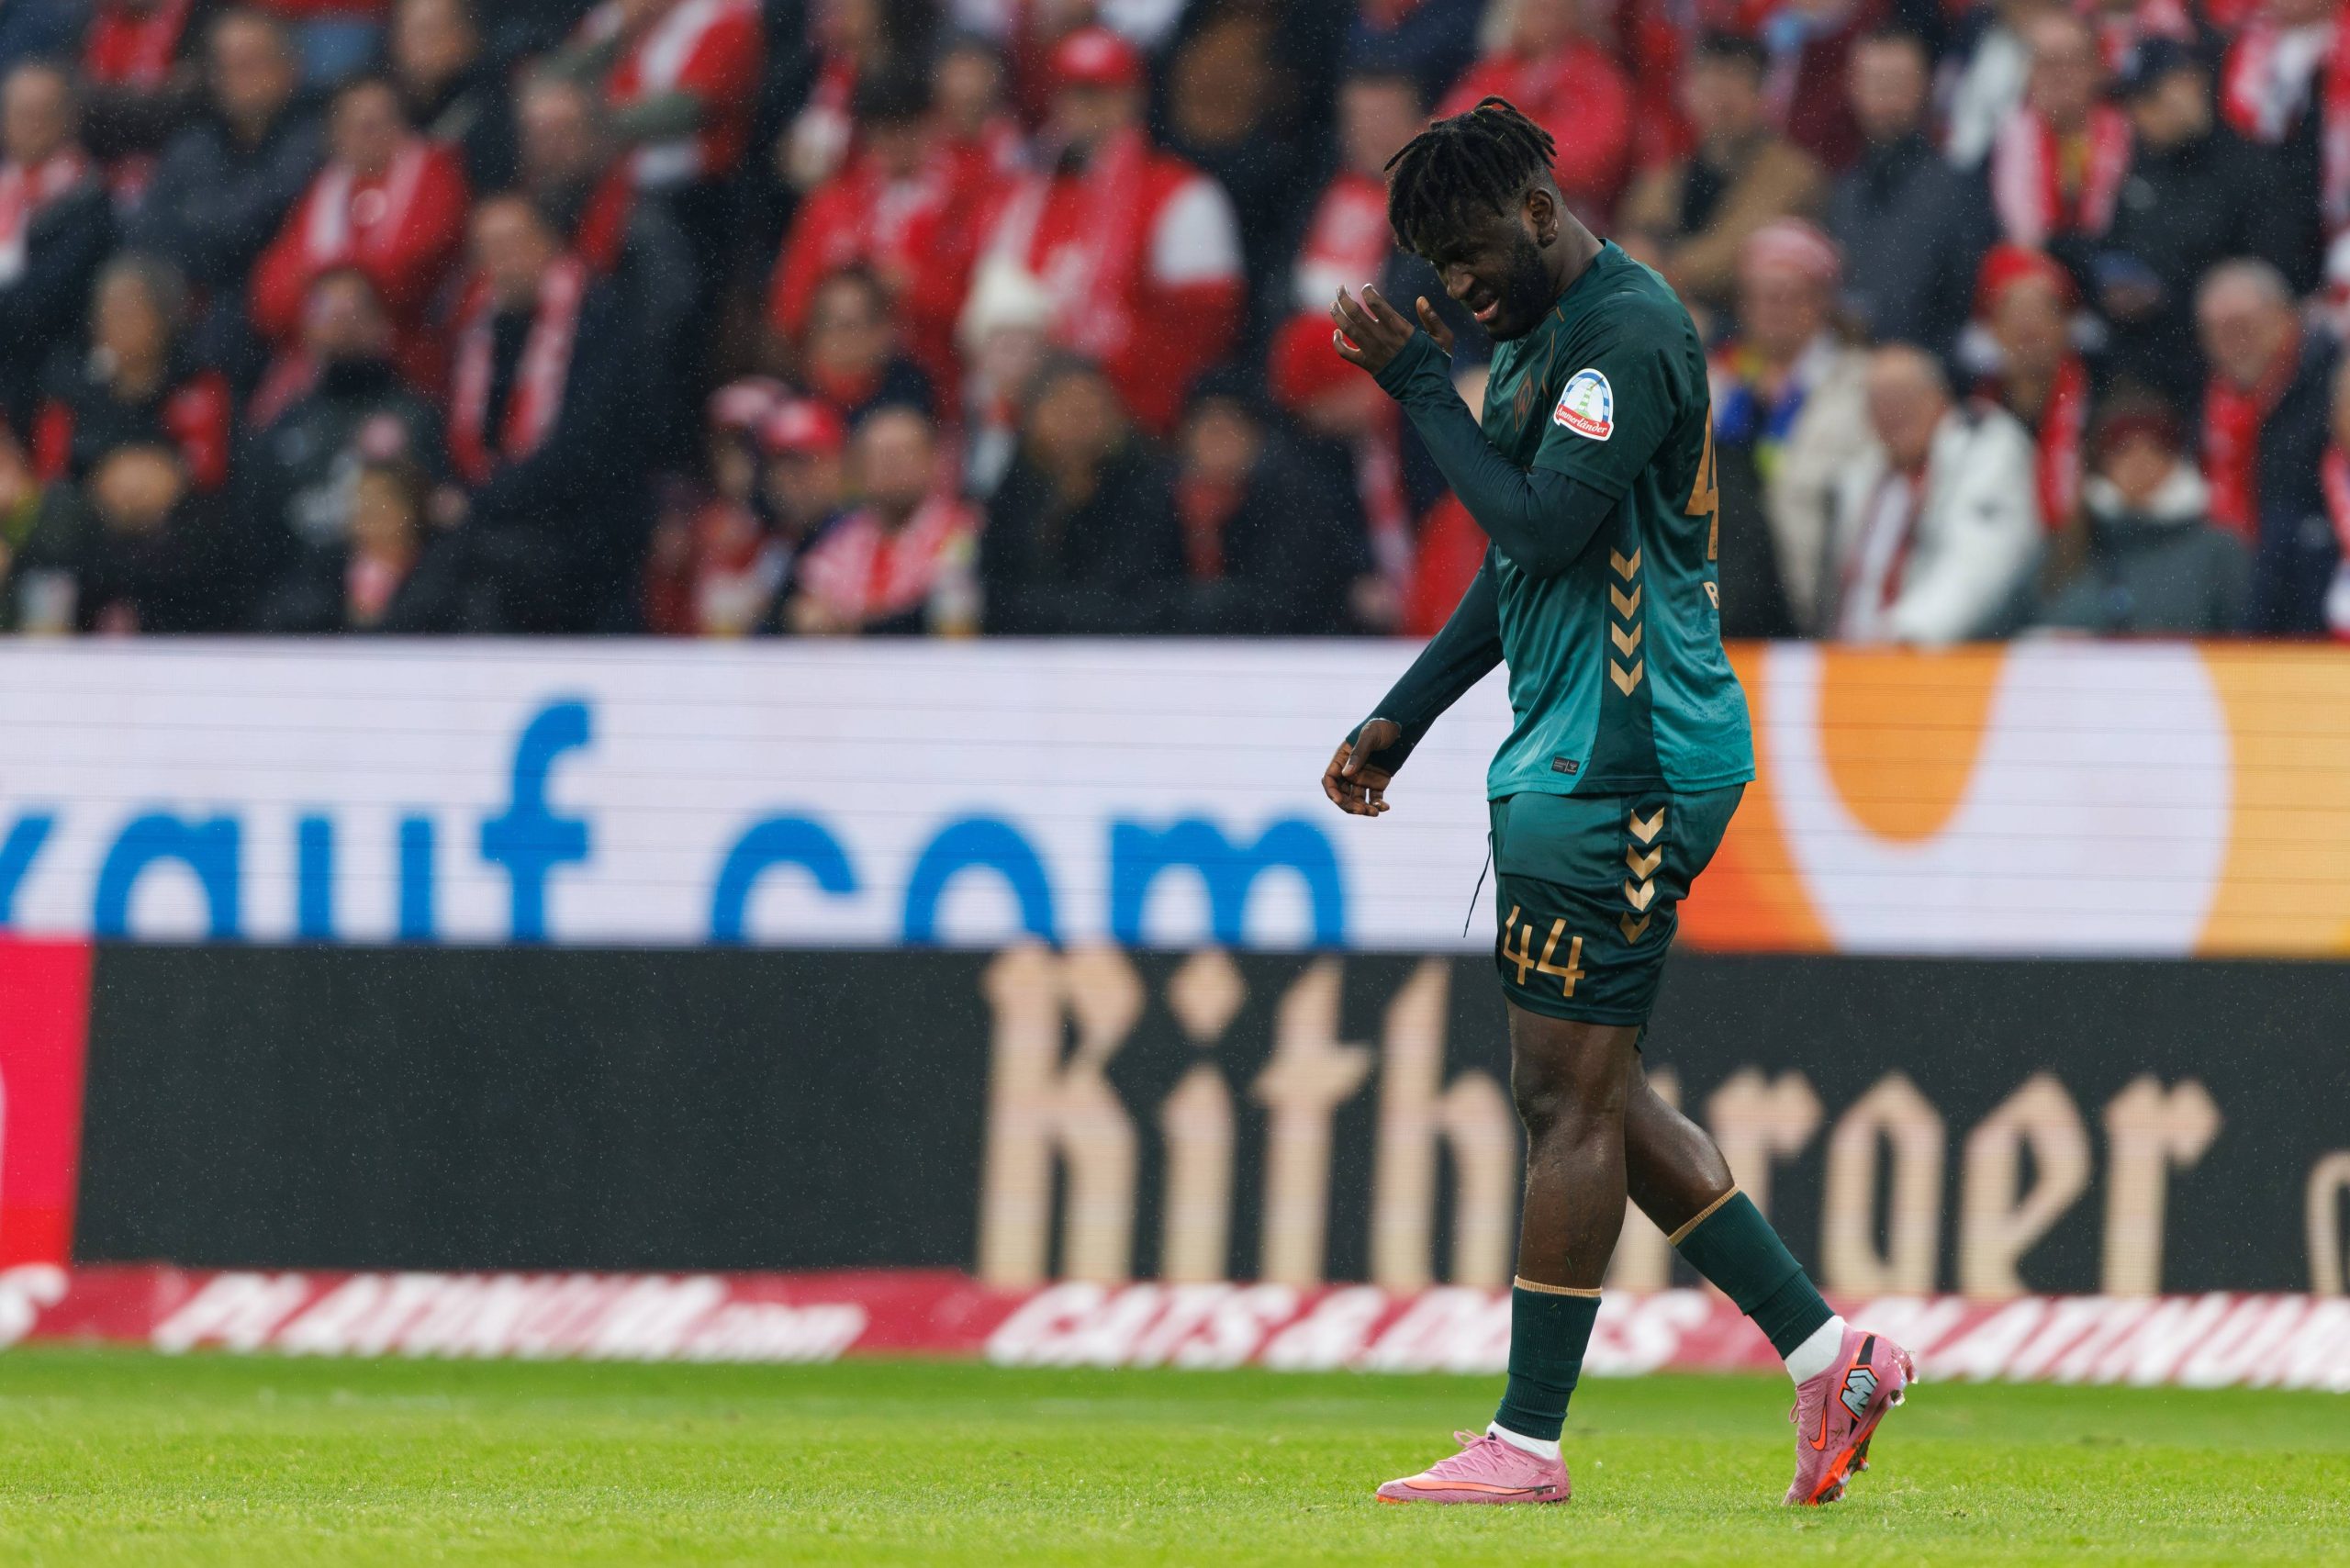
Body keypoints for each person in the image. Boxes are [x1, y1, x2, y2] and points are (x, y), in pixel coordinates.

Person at [1321, 98, 1912, 1510]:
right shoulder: (1536, 338)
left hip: (1631, 757)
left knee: (1565, 1099)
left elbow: (1537, 524)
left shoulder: (1629, 335)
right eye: (1435, 268)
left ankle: (1526, 1444)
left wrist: (1416, 392)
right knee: (1578, 1088)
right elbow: (1525, 573)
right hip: (1577, 751)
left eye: (1468, 254)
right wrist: (1405, 714)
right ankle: (1834, 1356)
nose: (1455, 290)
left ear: (1536, 209)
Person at [966, 27, 1242, 435]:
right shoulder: (1020, 198)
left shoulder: (1182, 195)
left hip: (1130, 431)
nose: (1083, 108)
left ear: (1133, 98)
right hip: (1021, 426)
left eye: (1099, 93)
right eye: (1071, 92)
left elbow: (1198, 339)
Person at [443, 193, 645, 632]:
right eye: (489, 248)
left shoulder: (597, 316)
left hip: (583, 526)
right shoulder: (477, 328)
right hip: (502, 518)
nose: (503, 259)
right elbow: (463, 433)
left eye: (514, 242)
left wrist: (482, 503)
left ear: (549, 244)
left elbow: (585, 443)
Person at [2098, 39, 2290, 412]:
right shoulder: (2143, 170)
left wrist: (2168, 293)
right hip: (2144, 367)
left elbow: (2278, 281)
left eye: (2152, 95)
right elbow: (2114, 246)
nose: (2141, 114)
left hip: (2228, 372)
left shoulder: (2253, 171)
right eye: (2132, 103)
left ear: (2193, 82)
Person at [249, 72, 470, 386]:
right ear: (334, 135)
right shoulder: (324, 189)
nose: (369, 134)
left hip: (410, 353)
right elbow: (272, 293)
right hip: (321, 354)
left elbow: (417, 261)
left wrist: (335, 290)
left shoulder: (435, 173)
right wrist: (330, 304)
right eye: (356, 125)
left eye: (379, 121)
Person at [1708, 220, 1871, 637]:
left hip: (1804, 598)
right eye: (1761, 297)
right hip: (1715, 598)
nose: (1773, 309)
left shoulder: (1857, 387)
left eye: (1790, 296)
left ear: (1822, 303)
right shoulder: (1714, 384)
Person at [1823, 342, 2042, 643]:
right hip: (1846, 663)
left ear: (1939, 397)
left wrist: (1905, 635)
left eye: (1902, 397)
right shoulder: (1862, 474)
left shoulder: (1984, 447)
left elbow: (1979, 563)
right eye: (1878, 401)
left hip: (1932, 663)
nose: (1891, 412)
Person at [241, 266, 451, 558]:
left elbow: (440, 515)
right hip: (298, 590)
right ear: (306, 328)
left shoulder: (420, 417)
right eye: (327, 311)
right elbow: (257, 531)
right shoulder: (282, 427)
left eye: (354, 309)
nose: (341, 322)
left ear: (382, 323)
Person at [1619, 32, 1826, 319]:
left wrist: (1663, 272)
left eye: (1735, 85)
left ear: (1763, 95)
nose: (1721, 101)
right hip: (1669, 316)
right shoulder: (1666, 174)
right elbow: (1633, 242)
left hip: (1747, 325)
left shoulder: (1793, 174)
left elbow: (1741, 251)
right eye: (1709, 86)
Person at [129, 10, 324, 309]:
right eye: (225, 65)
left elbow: (256, 226)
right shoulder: (193, 142)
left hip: (264, 305)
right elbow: (146, 232)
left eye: (251, 62)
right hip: (188, 300)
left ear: (290, 67)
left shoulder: (314, 139)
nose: (237, 75)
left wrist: (194, 230)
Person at [979, 356, 1185, 633]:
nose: (1080, 421)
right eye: (1067, 409)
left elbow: (1141, 595)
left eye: (1091, 409)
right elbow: (996, 590)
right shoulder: (1016, 485)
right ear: (1035, 416)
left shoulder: (1144, 483)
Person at [1167, 370, 1378, 635]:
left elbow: (1291, 604)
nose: (1219, 443)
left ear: (1255, 438)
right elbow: (1126, 596)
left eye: (1230, 429)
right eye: (1210, 428)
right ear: (1185, 437)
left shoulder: (1292, 504)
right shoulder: (1157, 502)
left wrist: (1200, 606)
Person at [1826, 27, 1992, 359]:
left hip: (1929, 376)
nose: (1887, 99)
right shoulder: (1840, 193)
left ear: (1925, 88)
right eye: (1876, 84)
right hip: (1848, 374)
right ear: (1852, 89)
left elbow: (1967, 309)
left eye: (1898, 84)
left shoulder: (1961, 190)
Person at [2196, 258, 2338, 634]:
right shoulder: (2211, 399)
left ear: (2284, 319)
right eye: (2217, 331)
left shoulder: (2332, 386)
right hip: (2244, 579)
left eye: (2243, 327)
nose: (2231, 343)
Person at [2039, 391, 2250, 635]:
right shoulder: (2065, 546)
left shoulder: (2218, 551)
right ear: (2101, 462)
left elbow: (2250, 646)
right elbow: (1997, 634)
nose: (2140, 463)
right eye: (2124, 449)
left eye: (2155, 448)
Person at [35, 254, 233, 495]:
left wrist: (165, 476)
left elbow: (211, 469)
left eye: (130, 311)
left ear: (164, 317)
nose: (115, 322)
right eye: (107, 310)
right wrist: (105, 480)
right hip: (92, 513)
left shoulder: (197, 383)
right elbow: (50, 472)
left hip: (179, 514)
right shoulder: (71, 386)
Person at [786, 405, 979, 635]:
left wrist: (854, 624)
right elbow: (811, 596)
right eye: (879, 455)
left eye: (903, 453)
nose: (891, 466)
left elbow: (938, 605)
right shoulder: (842, 534)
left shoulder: (965, 527)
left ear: (933, 460)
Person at [1438, 0, 1634, 223]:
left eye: (1553, 8)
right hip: (1488, 215)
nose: (1543, 14)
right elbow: (1446, 135)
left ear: (1574, 15)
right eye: (1534, 7)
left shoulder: (1597, 75)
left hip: (1571, 220)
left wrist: (1501, 154)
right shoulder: (1494, 71)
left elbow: (1593, 158)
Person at [0, 62, 116, 430]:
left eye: (44, 113)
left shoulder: (88, 198)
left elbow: (47, 298)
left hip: (40, 363)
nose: (32, 123)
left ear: (70, 119)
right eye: (21, 113)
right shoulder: (5, 184)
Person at [257, 454, 468, 631]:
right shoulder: (327, 563)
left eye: (378, 502)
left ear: (411, 510)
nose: (365, 512)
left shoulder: (441, 569)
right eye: (360, 500)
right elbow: (282, 614)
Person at [1970, 244, 2090, 542]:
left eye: (2041, 313)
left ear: (2065, 325)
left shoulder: (2101, 404)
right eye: (2014, 314)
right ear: (1994, 330)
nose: (2028, 328)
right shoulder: (1973, 419)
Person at [1986, 9, 2130, 251]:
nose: (2060, 76)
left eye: (2073, 62)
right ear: (2028, 74)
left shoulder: (2133, 140)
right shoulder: (1996, 146)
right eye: (2047, 63)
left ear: (2097, 70)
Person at [389, 0, 515, 193]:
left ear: (468, 36)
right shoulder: (389, 113)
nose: (421, 44)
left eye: (431, 29)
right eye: (409, 30)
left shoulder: (492, 110)